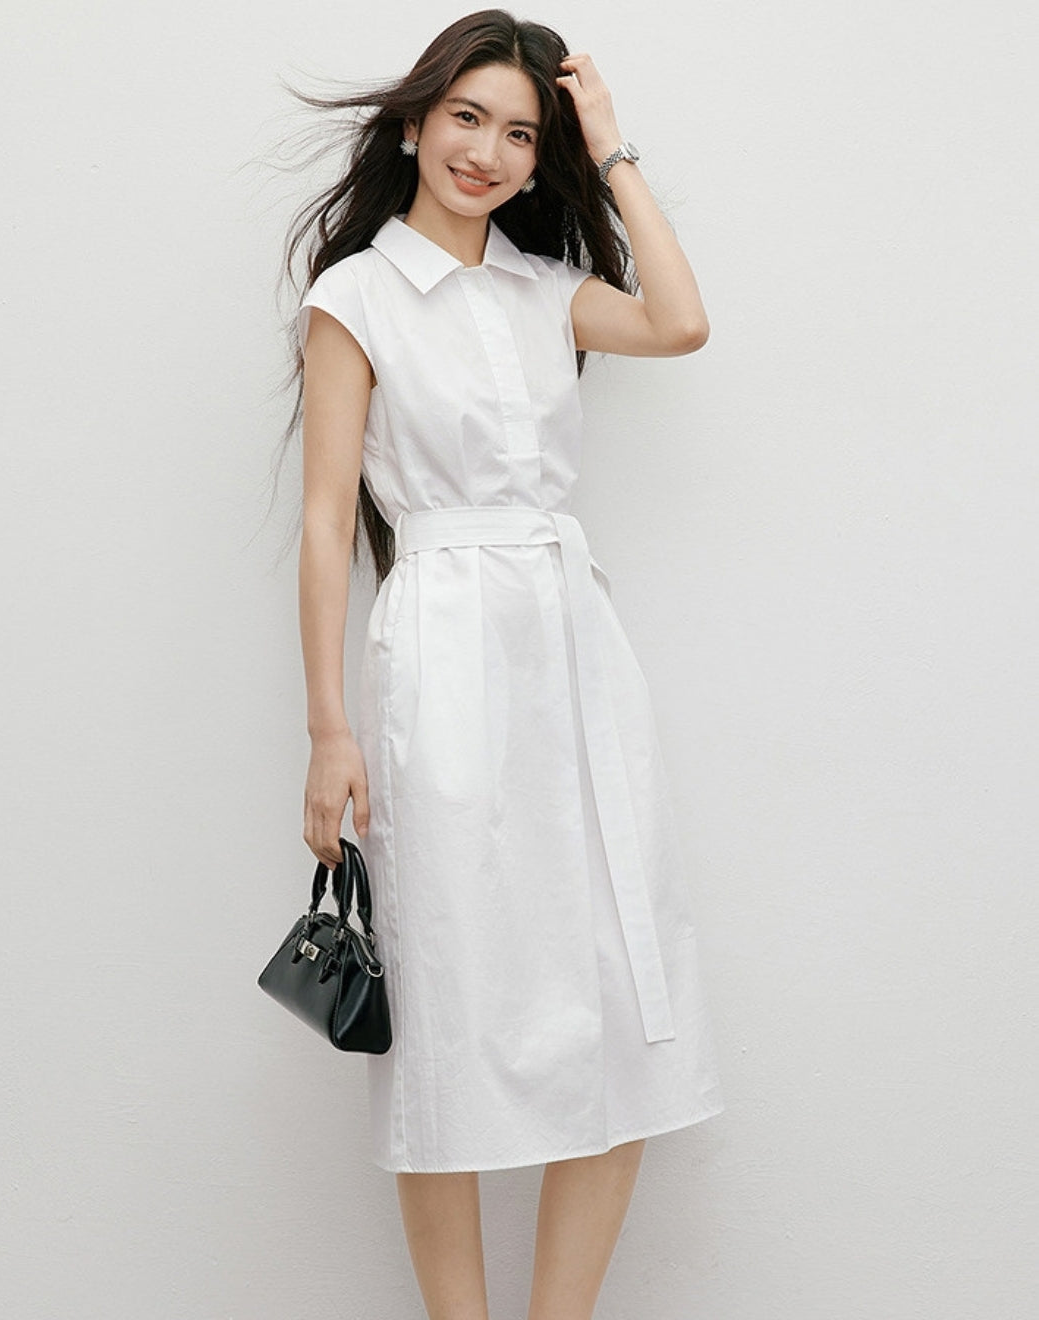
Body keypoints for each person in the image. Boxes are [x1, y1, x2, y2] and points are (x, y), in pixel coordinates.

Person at [279, 9, 724, 1317]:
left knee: (623, 987)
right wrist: (328, 729)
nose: (486, 151)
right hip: (442, 653)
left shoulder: (544, 292)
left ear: (542, 162)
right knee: (450, 1009)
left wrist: (610, 144)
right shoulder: (355, 296)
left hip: (575, 652)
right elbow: (324, 523)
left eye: (520, 135)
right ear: (415, 124)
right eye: (466, 118)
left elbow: (683, 323)